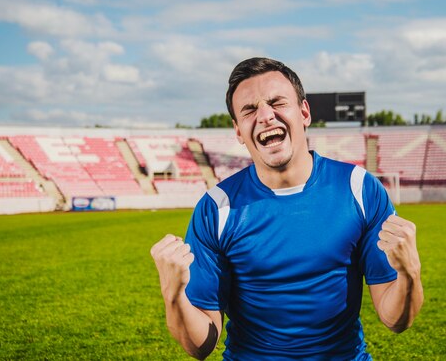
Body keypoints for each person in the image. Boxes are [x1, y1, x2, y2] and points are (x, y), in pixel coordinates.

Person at [151, 57, 423, 360]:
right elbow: (201, 346)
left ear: (304, 112)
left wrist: (409, 274)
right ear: (239, 131)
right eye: (249, 110)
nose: (266, 115)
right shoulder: (216, 209)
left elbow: (395, 319)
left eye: (277, 102)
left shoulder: (359, 189)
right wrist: (173, 295)